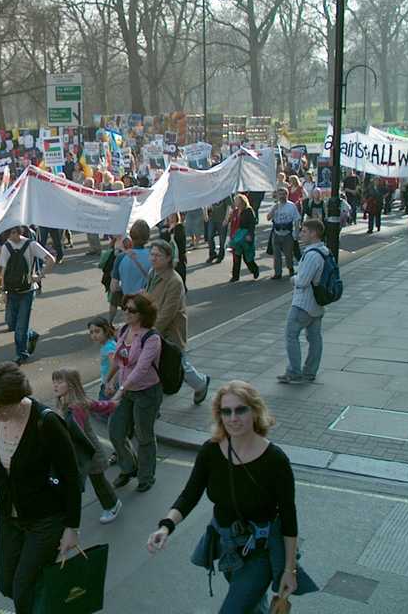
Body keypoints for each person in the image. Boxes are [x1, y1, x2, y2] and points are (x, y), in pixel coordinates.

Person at [147, 381, 317, 612]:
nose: (233, 418)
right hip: (228, 550)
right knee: (251, 606)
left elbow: (288, 519)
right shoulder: (211, 451)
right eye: (226, 411)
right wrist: (165, 526)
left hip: (260, 553)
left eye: (240, 410)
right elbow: (190, 494)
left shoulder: (276, 460)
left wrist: (289, 570)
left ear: (255, 411)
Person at [0, 362, 82, 614]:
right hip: (10, 517)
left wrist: (72, 527)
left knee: (23, 588)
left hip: (46, 520)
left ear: (16, 400)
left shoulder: (47, 424)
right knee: (7, 584)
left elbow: (71, 478)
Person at [104, 293, 163, 493]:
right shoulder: (124, 330)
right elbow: (120, 360)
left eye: (131, 310)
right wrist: (109, 378)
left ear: (143, 314)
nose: (126, 313)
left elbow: (141, 370)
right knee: (115, 430)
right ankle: (128, 468)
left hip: (146, 392)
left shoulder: (151, 337)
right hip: (126, 389)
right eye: (125, 308)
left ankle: (146, 477)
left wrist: (120, 390)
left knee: (144, 435)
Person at [52, 368, 122, 524]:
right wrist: (113, 404)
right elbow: (99, 405)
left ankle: (112, 505)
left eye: (59, 382)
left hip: (89, 452)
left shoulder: (74, 407)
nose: (55, 385)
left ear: (71, 385)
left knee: (98, 481)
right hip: (85, 451)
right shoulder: (74, 402)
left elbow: (76, 432)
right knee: (95, 480)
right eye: (54, 382)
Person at [146, 240, 211, 404]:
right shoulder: (152, 272)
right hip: (154, 327)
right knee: (160, 363)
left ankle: (201, 383)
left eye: (157, 255)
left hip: (170, 330)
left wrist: (151, 332)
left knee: (178, 362)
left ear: (168, 258)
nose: (153, 258)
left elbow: (168, 313)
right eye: (151, 254)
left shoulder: (174, 281)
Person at [277, 219, 328, 385]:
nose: (301, 234)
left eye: (304, 231)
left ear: (314, 233)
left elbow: (303, 281)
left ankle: (294, 371)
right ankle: (310, 371)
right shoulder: (324, 251)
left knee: (291, 335)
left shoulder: (312, 254)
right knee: (314, 338)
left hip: (303, 303)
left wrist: (293, 279)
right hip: (317, 304)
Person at [0, 226, 54, 365]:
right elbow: (3, 271)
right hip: (11, 290)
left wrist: (39, 276)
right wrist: (2, 291)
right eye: (8, 234)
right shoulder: (6, 247)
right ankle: (31, 335)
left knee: (21, 326)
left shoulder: (31, 245)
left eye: (13, 233)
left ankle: (21, 354)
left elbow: (51, 259)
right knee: (11, 322)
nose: (11, 237)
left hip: (27, 291)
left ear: (19, 231)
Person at [111, 219, 152, 299]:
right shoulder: (153, 255)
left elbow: (114, 287)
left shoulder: (121, 257)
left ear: (131, 236)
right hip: (147, 301)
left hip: (129, 301)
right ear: (147, 237)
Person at [267, 186, 300, 280]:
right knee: (276, 255)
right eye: (280, 194)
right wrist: (274, 209)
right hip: (277, 232)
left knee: (288, 254)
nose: (281, 196)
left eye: (283, 194)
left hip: (287, 233)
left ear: (287, 195)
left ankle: (290, 268)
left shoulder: (291, 205)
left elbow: (297, 219)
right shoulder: (275, 206)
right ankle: (278, 273)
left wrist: (296, 233)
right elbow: (268, 218)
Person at [228, 194, 260, 282]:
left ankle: (254, 270)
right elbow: (232, 224)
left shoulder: (248, 210)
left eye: (237, 200)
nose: (235, 202)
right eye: (235, 201)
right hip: (237, 237)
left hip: (246, 235)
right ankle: (235, 276)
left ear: (242, 201)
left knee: (247, 258)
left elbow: (252, 224)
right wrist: (231, 236)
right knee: (236, 257)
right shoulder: (235, 211)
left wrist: (250, 234)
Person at [87, 316, 117, 400]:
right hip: (107, 382)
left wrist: (110, 382)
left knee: (103, 409)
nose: (94, 335)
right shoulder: (107, 345)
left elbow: (115, 365)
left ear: (106, 331)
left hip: (109, 384)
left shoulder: (109, 346)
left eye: (97, 331)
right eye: (91, 332)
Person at [206, 196, 232, 264]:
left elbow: (229, 207)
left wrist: (226, 219)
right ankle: (212, 254)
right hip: (212, 219)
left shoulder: (225, 193)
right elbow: (207, 204)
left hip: (222, 220)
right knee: (209, 236)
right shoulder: (213, 191)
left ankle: (220, 255)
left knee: (222, 239)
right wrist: (206, 214)